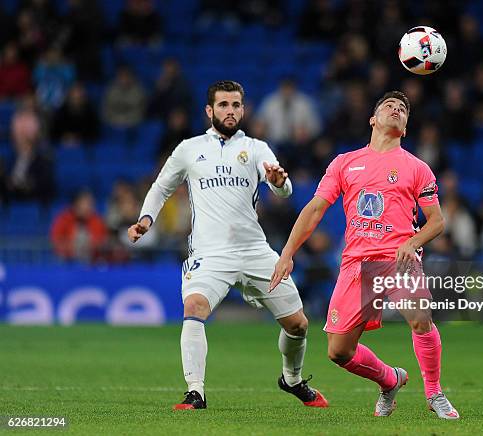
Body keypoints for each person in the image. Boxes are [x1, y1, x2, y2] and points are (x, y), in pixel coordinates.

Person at [127, 80, 328, 410]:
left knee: (299, 325)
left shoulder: (257, 148)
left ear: (243, 109)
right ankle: (196, 392)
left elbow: (283, 187)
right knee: (194, 308)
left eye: (236, 105)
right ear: (210, 110)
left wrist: (280, 183)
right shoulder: (189, 149)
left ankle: (291, 379)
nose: (230, 111)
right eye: (223, 105)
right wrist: (146, 219)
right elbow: (161, 187)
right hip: (209, 253)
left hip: (254, 250)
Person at [270, 91, 460, 419]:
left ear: (406, 126)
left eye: (403, 109)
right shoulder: (344, 163)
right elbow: (315, 209)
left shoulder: (417, 168)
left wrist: (412, 243)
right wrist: (287, 252)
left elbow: (438, 221)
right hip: (357, 264)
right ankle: (390, 380)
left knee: (419, 317)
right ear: (373, 119)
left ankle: (434, 393)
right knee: (339, 351)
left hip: (399, 258)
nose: (396, 110)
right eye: (389, 106)